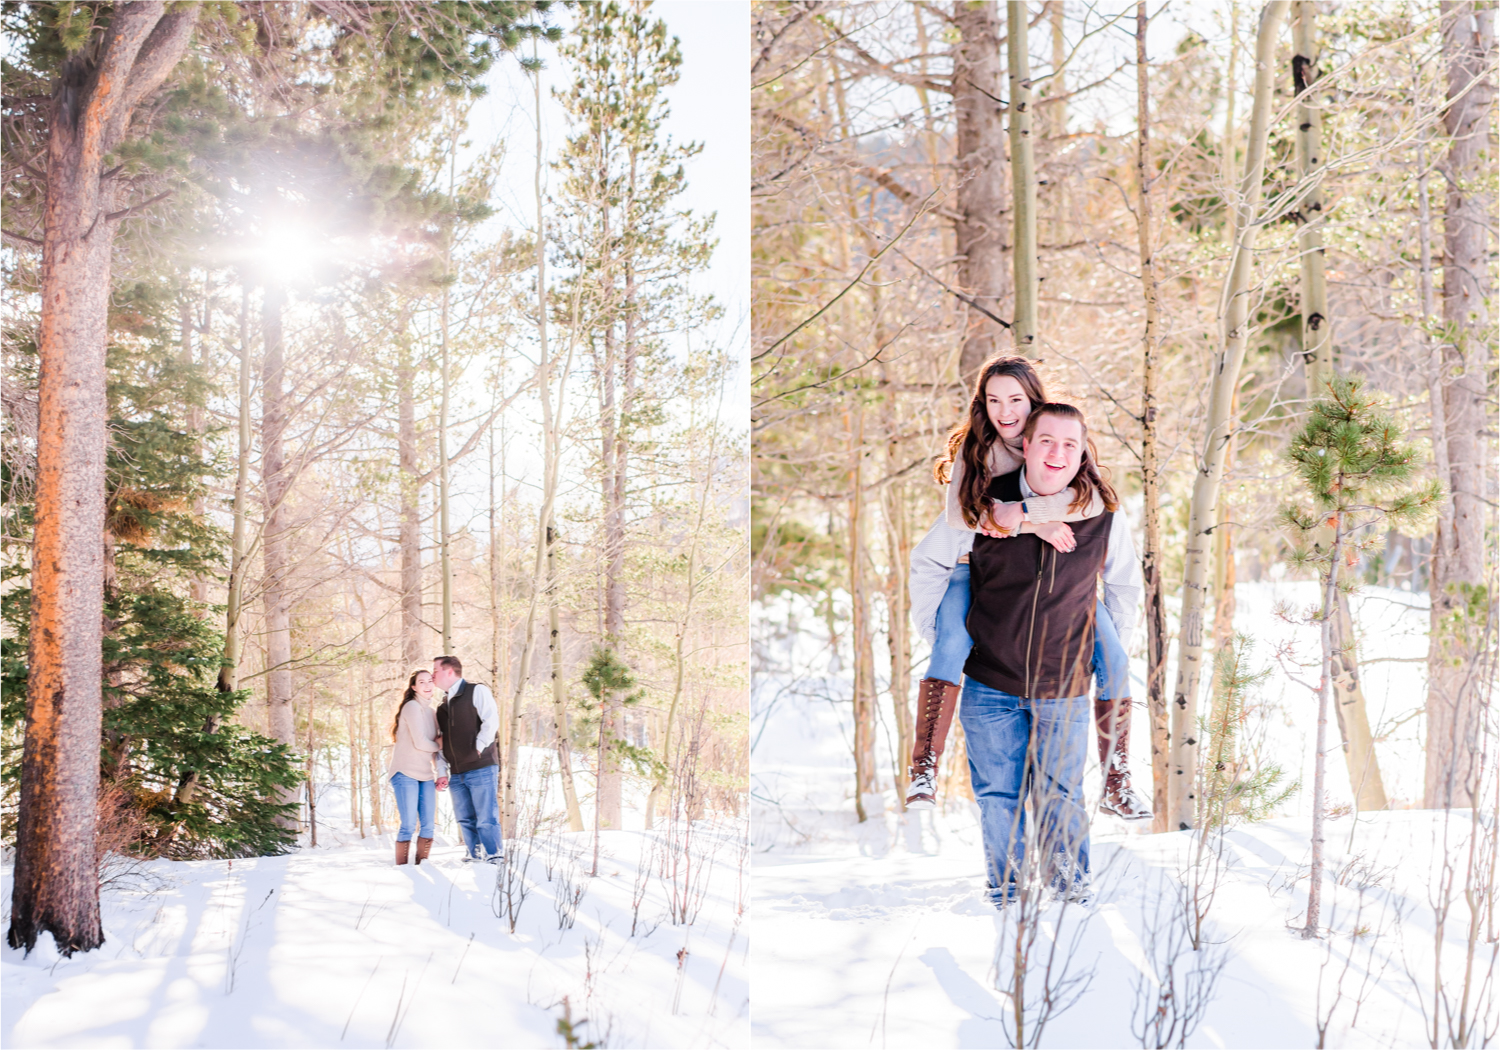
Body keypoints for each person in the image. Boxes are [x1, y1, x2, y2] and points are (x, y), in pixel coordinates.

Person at [906, 356, 1149, 821]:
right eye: (994, 400)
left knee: (1116, 656)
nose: (1005, 410)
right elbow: (959, 521)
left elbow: (1097, 503)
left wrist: (1028, 515)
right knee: (952, 640)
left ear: (1034, 402)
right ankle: (924, 767)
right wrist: (1021, 520)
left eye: (1016, 399)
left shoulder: (1066, 441)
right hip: (970, 567)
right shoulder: (979, 454)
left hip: (1068, 592)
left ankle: (1118, 780)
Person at [961, 403, 1143, 907]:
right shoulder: (983, 505)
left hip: (1063, 685)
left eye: (1070, 442)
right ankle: (1007, 897)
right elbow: (941, 567)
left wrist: (1104, 648)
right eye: (1046, 441)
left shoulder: (1101, 513)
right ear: (1026, 444)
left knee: (1062, 796)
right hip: (988, 681)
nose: (1058, 452)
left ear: (1083, 449)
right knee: (999, 797)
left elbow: (1125, 585)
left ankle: (1069, 894)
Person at [432, 655, 504, 864]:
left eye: (435, 670)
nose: (433, 675)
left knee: (486, 817)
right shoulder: (442, 707)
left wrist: (478, 749)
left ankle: (494, 855)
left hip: (481, 767)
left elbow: (491, 721)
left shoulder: (476, 691)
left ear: (449, 672)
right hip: (457, 772)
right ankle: (475, 854)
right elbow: (442, 742)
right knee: (464, 818)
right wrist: (443, 771)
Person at [387, 669, 447, 865]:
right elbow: (422, 743)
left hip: (425, 775)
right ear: (413, 687)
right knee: (408, 824)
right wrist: (440, 744)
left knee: (429, 825)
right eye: (422, 682)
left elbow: (436, 750)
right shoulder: (412, 707)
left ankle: (423, 866)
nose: (427, 685)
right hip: (405, 772)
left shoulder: (432, 712)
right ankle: (403, 868)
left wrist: (440, 773)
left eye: (430, 681)